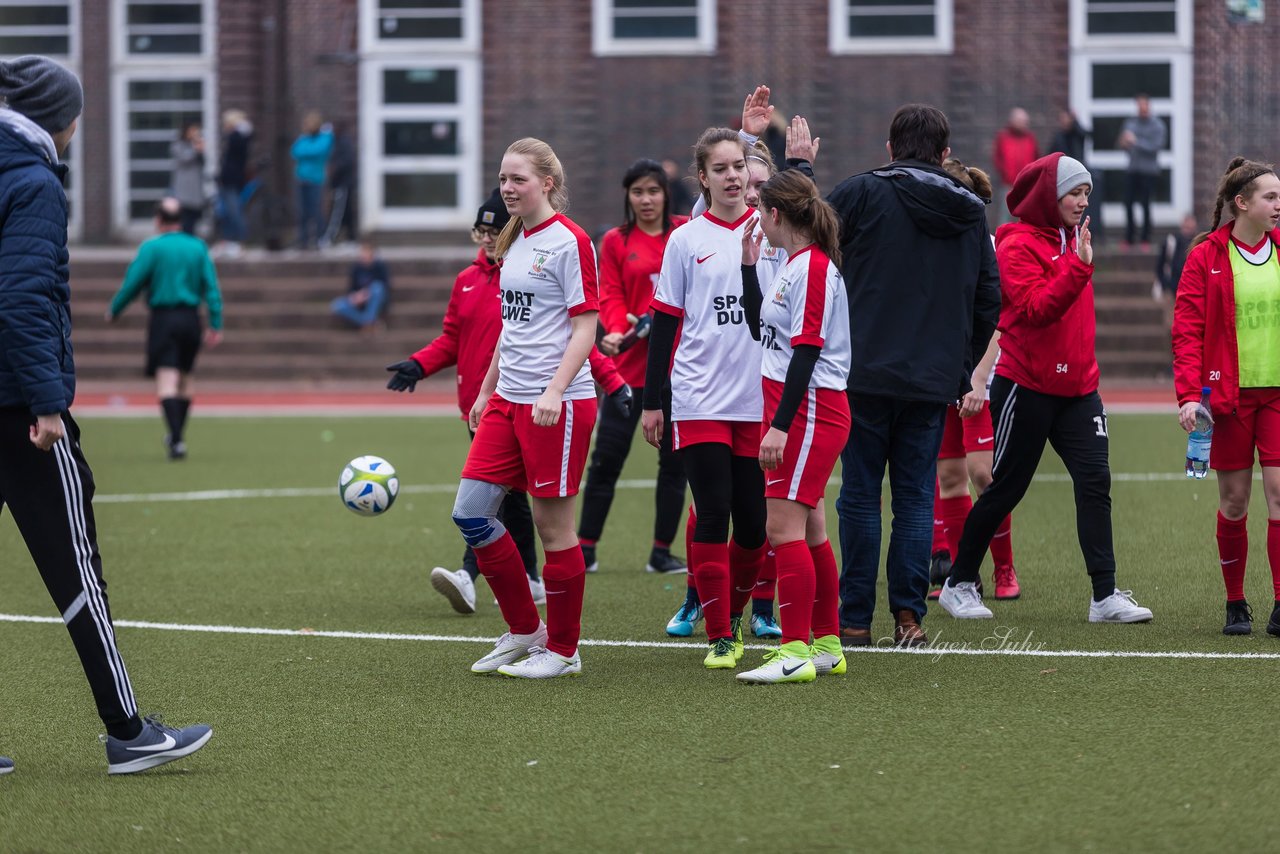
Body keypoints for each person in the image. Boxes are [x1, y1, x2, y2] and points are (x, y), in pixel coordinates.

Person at [0, 54, 211, 775]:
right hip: (16, 410)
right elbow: (24, 299)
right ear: (58, 117)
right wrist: (48, 401)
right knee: (76, 570)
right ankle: (128, 732)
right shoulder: (31, 181)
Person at [387, 188, 630, 615]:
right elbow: (461, 337)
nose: (486, 238)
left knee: (531, 512)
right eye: (480, 230)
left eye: (492, 229)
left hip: (546, 403)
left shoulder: (556, 249)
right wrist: (421, 366)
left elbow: (582, 334)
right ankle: (523, 611)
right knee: (482, 507)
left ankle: (527, 607)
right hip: (492, 403)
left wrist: (611, 382)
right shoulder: (470, 278)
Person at [938, 153, 1154, 624]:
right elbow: (1035, 310)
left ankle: (1104, 595)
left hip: (1080, 390)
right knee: (1004, 488)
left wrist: (1076, 260)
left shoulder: (1075, 240)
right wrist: (1077, 268)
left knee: (1096, 482)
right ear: (1047, 196)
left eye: (1086, 193)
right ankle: (958, 583)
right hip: (1027, 385)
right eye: (1073, 192)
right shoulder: (1016, 245)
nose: (1082, 201)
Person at [827, 103, 1001, 648]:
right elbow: (989, 302)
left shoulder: (857, 193)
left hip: (861, 373)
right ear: (945, 154)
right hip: (931, 380)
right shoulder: (972, 210)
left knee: (859, 496)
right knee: (914, 498)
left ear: (889, 147)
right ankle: (908, 618)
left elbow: (810, 258)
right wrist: (961, 367)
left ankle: (855, 620)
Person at [450, 138, 599, 679]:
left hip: (554, 405)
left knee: (552, 529)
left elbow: (587, 325)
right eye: (503, 179)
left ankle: (563, 650)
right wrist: (489, 388)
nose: (508, 189)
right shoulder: (513, 238)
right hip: (507, 401)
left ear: (547, 184)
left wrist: (555, 390)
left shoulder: (570, 241)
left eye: (519, 180)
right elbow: (513, 328)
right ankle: (525, 629)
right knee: (470, 513)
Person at [642, 126, 771, 670]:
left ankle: (735, 613)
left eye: (738, 165)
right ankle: (721, 634)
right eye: (720, 169)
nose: (732, 176)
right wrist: (654, 401)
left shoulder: (773, 230)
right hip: (697, 398)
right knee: (713, 512)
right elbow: (666, 323)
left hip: (758, 400)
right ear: (703, 178)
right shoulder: (685, 239)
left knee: (755, 524)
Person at [735, 168, 851, 684]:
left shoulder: (815, 269)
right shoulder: (791, 263)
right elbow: (766, 329)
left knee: (782, 530)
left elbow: (807, 350)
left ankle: (795, 650)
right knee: (811, 530)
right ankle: (825, 644)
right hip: (797, 409)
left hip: (807, 411)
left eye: (761, 209)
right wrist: (747, 268)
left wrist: (779, 427)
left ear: (776, 214)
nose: (758, 218)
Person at [1171, 157, 1280, 636]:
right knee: (1235, 501)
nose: (1278, 205)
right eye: (1270, 197)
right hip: (1228, 400)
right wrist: (1189, 396)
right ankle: (1236, 602)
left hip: (1277, 396)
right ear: (1242, 203)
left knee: (1279, 495)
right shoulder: (1206, 256)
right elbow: (1187, 331)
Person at [578, 160, 689, 577]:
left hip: (677, 372)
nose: (646, 200)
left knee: (674, 467)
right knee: (606, 460)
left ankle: (661, 552)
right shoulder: (615, 241)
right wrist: (614, 328)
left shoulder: (684, 231)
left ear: (666, 194)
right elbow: (609, 294)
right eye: (638, 192)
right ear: (628, 196)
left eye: (654, 191)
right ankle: (586, 549)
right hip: (627, 373)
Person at [928, 159, 1018, 602]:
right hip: (939, 376)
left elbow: (997, 320)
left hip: (977, 378)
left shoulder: (986, 246)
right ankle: (965, 576)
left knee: (983, 475)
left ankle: (1005, 569)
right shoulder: (926, 244)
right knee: (948, 478)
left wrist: (978, 379)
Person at [107, 197, 224, 460]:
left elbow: (133, 283)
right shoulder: (198, 247)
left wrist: (114, 310)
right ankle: (176, 436)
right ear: (180, 219)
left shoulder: (152, 248)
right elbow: (211, 287)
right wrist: (215, 322)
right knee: (186, 378)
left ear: (158, 220)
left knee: (167, 379)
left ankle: (177, 439)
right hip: (191, 319)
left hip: (163, 318)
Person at [1049, 108, 1104, 243]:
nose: (1063, 122)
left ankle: (1092, 231)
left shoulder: (1076, 134)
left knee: (1086, 205)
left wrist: (1076, 121)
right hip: (1065, 178)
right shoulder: (1058, 137)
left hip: (1078, 175)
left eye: (1066, 118)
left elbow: (1087, 134)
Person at [1119, 94, 1166, 249]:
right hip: (1132, 170)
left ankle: (1145, 239)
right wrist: (1124, 143)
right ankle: (1129, 238)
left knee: (1145, 205)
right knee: (1128, 203)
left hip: (1149, 172)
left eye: (1144, 106)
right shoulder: (1130, 123)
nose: (1142, 109)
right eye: (1139, 106)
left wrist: (1136, 142)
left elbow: (1156, 147)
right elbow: (1122, 145)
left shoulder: (1158, 125)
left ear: (1149, 106)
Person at [290, 110, 333, 250]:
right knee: (303, 212)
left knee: (316, 210)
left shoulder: (325, 137)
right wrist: (307, 151)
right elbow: (295, 151)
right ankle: (303, 241)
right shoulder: (304, 138)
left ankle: (321, 238)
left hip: (315, 180)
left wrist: (306, 151)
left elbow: (318, 151)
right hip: (301, 179)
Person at [330, 239, 390, 332]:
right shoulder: (356, 268)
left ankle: (368, 321)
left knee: (377, 287)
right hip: (360, 301)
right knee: (337, 305)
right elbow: (351, 289)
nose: (364, 258)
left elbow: (385, 287)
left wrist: (367, 294)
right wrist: (356, 297)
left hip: (375, 300)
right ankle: (371, 323)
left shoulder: (380, 267)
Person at [992, 107, 1038, 223]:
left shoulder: (1030, 138)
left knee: (1025, 217)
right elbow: (997, 158)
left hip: (1026, 185)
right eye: (1021, 120)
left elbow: (1036, 158)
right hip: (1008, 184)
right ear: (1012, 120)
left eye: (1025, 121)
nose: (1024, 124)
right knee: (1005, 216)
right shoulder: (1003, 137)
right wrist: (1005, 173)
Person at [216, 109, 252, 256]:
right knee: (229, 211)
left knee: (234, 211)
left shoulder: (237, 137)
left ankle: (239, 240)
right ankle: (230, 240)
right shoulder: (241, 137)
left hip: (231, 179)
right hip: (230, 179)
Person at [1154, 212, 1198, 330]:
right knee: (1172, 325)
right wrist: (1165, 285)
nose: (1188, 230)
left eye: (1191, 227)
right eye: (1186, 227)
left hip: (1192, 290)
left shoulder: (1199, 244)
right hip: (1172, 289)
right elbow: (1160, 266)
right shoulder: (1171, 242)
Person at [321, 121, 357, 248]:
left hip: (343, 184)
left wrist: (335, 168)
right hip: (338, 184)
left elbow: (347, 161)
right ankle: (351, 239)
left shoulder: (344, 143)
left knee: (338, 212)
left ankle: (329, 238)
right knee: (346, 213)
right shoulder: (335, 143)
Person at [170, 121, 206, 236]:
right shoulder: (178, 145)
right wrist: (196, 149)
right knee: (185, 218)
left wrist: (200, 150)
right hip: (184, 188)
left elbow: (202, 163)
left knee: (194, 217)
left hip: (196, 188)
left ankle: (191, 238)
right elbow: (184, 159)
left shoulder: (195, 144)